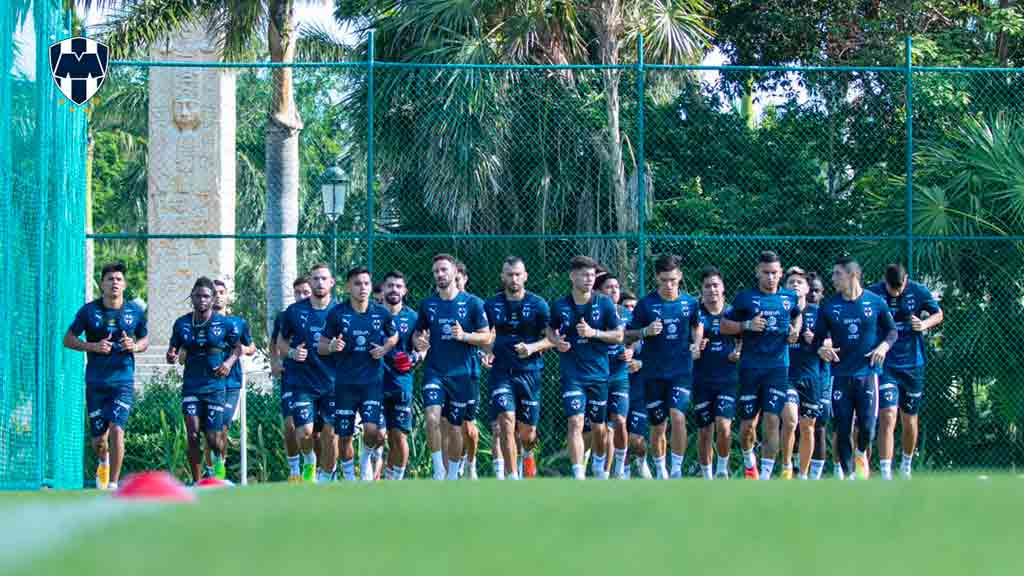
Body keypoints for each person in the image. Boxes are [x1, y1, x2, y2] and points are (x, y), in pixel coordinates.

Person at [64, 261, 149, 490]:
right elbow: (68, 339)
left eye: (119, 279)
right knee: (99, 440)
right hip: (96, 382)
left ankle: (113, 483)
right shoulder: (89, 311)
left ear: (125, 284)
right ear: (102, 284)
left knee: (117, 428)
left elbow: (144, 340)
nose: (115, 283)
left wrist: (134, 346)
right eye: (110, 279)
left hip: (122, 379)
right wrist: (93, 347)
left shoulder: (135, 311)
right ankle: (103, 460)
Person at [813, 256, 897, 480]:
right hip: (840, 376)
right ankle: (850, 476)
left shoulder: (876, 302)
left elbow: (892, 331)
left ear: (852, 275)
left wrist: (883, 347)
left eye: (837, 274)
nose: (833, 279)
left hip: (868, 375)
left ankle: (861, 453)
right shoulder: (829, 306)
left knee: (868, 428)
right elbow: (817, 340)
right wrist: (822, 348)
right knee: (842, 428)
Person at [413, 254, 492, 480]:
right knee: (432, 417)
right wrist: (419, 341)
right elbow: (419, 334)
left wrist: (464, 335)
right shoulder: (428, 304)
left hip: (463, 374)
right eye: (436, 271)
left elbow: (486, 337)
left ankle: (456, 473)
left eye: (444, 270)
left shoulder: (473, 303)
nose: (439, 274)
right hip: (435, 372)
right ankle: (438, 470)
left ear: (455, 272)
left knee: (459, 428)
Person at [626, 254, 703, 479]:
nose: (669, 285)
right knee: (658, 425)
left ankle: (677, 469)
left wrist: (696, 344)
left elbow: (697, 326)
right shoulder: (646, 304)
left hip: (681, 371)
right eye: (664, 280)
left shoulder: (690, 303)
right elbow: (627, 333)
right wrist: (645, 332)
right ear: (656, 278)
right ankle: (661, 470)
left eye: (673, 279)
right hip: (653, 373)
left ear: (679, 276)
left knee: (678, 415)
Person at [548, 256, 623, 479]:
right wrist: (556, 342)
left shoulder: (605, 303)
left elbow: (618, 335)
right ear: (572, 276)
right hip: (573, 374)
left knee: (599, 428)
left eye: (592, 275)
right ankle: (578, 475)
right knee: (575, 421)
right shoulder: (560, 305)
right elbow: (550, 330)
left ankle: (600, 468)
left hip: (599, 374)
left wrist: (594, 333)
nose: (589, 279)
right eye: (584, 274)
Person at [320, 267, 398, 481]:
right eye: (357, 283)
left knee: (373, 431)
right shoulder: (337, 314)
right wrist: (333, 346)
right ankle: (349, 479)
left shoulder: (380, 312)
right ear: (348, 287)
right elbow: (321, 346)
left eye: (366, 283)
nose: (362, 288)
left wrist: (384, 349)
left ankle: (365, 462)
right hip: (345, 384)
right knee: (344, 436)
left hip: (372, 383)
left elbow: (394, 336)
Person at [729, 251, 802, 480]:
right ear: (757, 272)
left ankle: (766, 476)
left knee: (773, 419)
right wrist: (747, 324)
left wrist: (795, 330)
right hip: (750, 368)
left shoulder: (789, 298)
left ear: (780, 273)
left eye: (774, 273)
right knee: (748, 426)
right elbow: (724, 325)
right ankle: (750, 459)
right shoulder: (745, 298)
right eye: (766, 273)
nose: (770, 277)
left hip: (778, 368)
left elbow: (797, 315)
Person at [867, 263, 943, 479]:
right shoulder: (873, 293)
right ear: (884, 280)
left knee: (909, 419)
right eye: (893, 288)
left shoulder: (919, 291)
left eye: (900, 287)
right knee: (888, 415)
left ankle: (906, 466)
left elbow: (938, 314)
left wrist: (924, 324)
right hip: (885, 363)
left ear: (906, 280)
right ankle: (885, 473)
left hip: (912, 364)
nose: (897, 292)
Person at [167, 277, 241, 483]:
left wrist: (228, 363)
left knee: (213, 438)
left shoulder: (224, 323)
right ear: (192, 297)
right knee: (192, 434)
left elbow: (238, 348)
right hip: (191, 386)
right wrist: (171, 355)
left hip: (215, 387)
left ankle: (218, 467)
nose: (202, 300)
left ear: (213, 299)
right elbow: (172, 350)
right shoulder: (181, 323)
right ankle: (198, 481)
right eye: (198, 295)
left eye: (206, 296)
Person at [484, 256, 552, 480]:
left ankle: (528, 455)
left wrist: (532, 347)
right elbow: (485, 336)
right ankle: (513, 478)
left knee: (527, 433)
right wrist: (486, 352)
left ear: (525, 276)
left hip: (530, 373)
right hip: (501, 373)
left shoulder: (539, 304)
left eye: (517, 274)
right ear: (502, 277)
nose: (514, 279)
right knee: (505, 421)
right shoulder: (491, 304)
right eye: (509, 274)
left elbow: (553, 339)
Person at [277, 264, 338, 483]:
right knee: (303, 432)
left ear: (331, 282)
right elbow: (281, 342)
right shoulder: (294, 312)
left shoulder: (341, 311)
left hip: (334, 384)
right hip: (302, 382)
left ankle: (326, 478)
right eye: (315, 279)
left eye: (324, 279)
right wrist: (292, 352)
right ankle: (310, 461)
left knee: (330, 435)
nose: (319, 283)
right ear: (310, 282)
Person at [693, 266, 741, 480]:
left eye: (715, 285)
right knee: (704, 431)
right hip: (701, 380)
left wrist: (739, 352)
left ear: (722, 289)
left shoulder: (732, 313)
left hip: (727, 379)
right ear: (701, 290)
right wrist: (693, 347)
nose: (712, 289)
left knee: (723, 425)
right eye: (707, 286)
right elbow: (684, 344)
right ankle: (706, 477)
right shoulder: (695, 314)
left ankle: (722, 470)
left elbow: (746, 340)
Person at [210, 279, 256, 479]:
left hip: (232, 382)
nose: (218, 295)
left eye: (222, 292)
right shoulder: (200, 322)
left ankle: (220, 467)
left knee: (223, 427)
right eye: (214, 292)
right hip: (207, 383)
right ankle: (211, 471)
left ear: (227, 296)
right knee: (210, 429)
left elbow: (251, 347)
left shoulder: (238, 322)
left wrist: (243, 349)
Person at [378, 271, 420, 480]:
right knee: (376, 434)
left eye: (398, 286)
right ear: (383, 289)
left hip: (401, 383)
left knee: (398, 436)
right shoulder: (372, 313)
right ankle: (372, 476)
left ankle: (396, 479)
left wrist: (415, 359)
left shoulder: (413, 317)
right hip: (374, 383)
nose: (394, 289)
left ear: (404, 291)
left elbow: (423, 347)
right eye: (390, 286)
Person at [270, 277, 312, 481]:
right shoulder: (286, 316)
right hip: (291, 376)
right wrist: (275, 362)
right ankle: (294, 471)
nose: (301, 296)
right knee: (289, 424)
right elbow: (275, 342)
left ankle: (314, 466)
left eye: (305, 292)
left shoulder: (324, 312)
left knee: (316, 431)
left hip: (317, 378)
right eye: (298, 292)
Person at [782, 267, 822, 480]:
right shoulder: (780, 309)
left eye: (800, 282)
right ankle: (786, 466)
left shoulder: (819, 313)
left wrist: (815, 340)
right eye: (791, 282)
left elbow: (831, 343)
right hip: (787, 376)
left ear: (808, 288)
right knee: (790, 420)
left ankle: (804, 475)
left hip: (811, 377)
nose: (795, 285)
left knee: (808, 427)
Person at [596, 273, 632, 479]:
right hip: (597, 376)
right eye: (609, 287)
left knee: (618, 420)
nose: (614, 290)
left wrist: (632, 351)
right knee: (601, 428)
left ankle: (620, 468)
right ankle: (604, 472)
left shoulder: (626, 314)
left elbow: (637, 338)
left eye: (617, 287)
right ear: (599, 292)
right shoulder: (594, 313)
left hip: (619, 375)